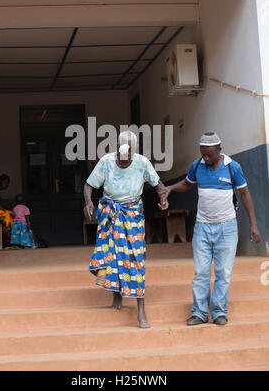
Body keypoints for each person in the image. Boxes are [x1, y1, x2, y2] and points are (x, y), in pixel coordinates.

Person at [163, 132, 261, 326]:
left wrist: (254, 224)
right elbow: (187, 183)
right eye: (203, 154)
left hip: (227, 228)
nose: (205, 158)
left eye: (209, 155)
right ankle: (199, 312)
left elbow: (245, 194)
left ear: (219, 150)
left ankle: (218, 311)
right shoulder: (197, 165)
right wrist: (170, 188)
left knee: (223, 272)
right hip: (202, 227)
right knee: (201, 272)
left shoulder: (233, 167)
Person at [84, 131, 169, 329]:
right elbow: (89, 185)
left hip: (132, 215)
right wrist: (88, 202)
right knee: (112, 254)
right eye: (120, 160)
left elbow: (159, 185)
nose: (123, 163)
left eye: (127, 159)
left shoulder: (142, 163)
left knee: (135, 259)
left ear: (133, 153)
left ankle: (141, 311)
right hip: (111, 212)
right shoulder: (106, 161)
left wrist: (163, 198)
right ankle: (115, 294)